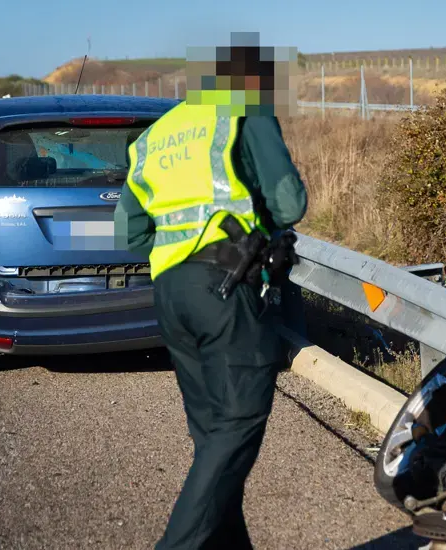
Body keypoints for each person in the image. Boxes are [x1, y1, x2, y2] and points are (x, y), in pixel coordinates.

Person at [113, 36, 308, 549]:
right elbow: (289, 203)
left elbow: (128, 234)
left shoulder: (158, 134)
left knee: (214, 442)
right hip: (228, 286)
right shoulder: (245, 111)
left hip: (171, 295)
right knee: (239, 421)